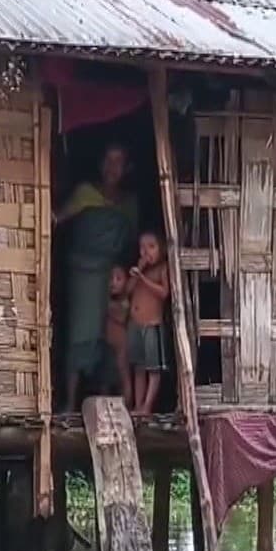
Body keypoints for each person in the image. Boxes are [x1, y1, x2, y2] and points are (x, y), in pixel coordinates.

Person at [55, 144, 139, 411]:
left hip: (112, 276)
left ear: (126, 169)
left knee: (112, 337)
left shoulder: (129, 204)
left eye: (119, 162)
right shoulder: (85, 193)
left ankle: (108, 401)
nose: (113, 168)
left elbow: (133, 243)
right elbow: (57, 219)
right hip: (83, 274)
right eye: (109, 161)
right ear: (101, 164)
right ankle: (70, 402)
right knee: (80, 334)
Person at [127, 232, 170, 415]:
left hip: (152, 324)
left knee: (153, 368)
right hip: (136, 324)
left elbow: (164, 293)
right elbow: (127, 290)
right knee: (138, 367)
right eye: (142, 247)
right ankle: (138, 405)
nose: (146, 252)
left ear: (162, 248)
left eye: (151, 247)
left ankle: (147, 405)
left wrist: (144, 280)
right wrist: (138, 271)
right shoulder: (140, 271)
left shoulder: (163, 269)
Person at [104, 265, 133, 407]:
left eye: (118, 279)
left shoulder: (125, 302)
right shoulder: (108, 301)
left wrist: (107, 307)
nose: (113, 282)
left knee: (124, 377)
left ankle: (126, 406)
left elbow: (121, 317)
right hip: (108, 345)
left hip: (122, 345)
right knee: (106, 378)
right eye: (111, 278)